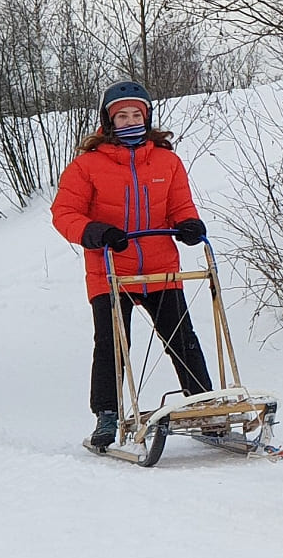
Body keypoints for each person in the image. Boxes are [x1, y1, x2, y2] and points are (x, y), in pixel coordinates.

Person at [51, 81, 212, 449]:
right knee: (110, 346)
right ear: (108, 121)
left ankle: (203, 404)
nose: (129, 120)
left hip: (161, 266)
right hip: (109, 271)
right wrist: (94, 231)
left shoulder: (167, 161)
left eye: (135, 114)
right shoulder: (87, 165)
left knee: (182, 340)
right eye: (121, 115)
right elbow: (64, 213)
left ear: (147, 116)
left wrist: (189, 224)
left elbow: (180, 206)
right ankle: (106, 415)